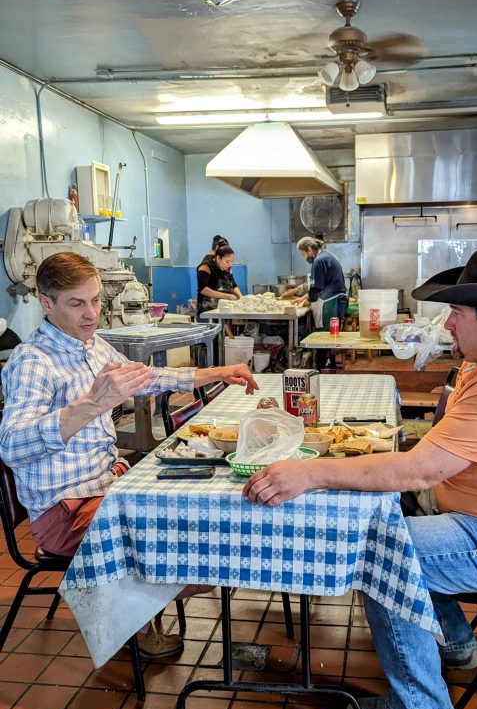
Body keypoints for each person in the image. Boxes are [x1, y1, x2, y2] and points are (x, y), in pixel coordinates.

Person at [243, 250, 477, 709]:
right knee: (402, 528)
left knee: (384, 549)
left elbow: (420, 471)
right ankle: (457, 644)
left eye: (457, 315)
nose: (448, 324)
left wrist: (310, 475)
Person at [0, 252, 258, 658]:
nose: (92, 314)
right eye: (77, 303)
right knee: (182, 540)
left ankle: (135, 610)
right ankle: (130, 621)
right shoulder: (33, 362)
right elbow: (12, 445)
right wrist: (89, 404)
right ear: (45, 303)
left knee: (194, 515)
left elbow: (147, 377)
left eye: (97, 300)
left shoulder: (92, 344)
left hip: (105, 487)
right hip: (64, 510)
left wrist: (215, 373)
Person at [291, 236, 348, 371]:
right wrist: (304, 297)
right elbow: (321, 285)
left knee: (323, 334)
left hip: (330, 303)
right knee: (331, 334)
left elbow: (317, 290)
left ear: (309, 250)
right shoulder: (326, 256)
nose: (304, 257)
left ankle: (320, 367)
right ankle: (331, 363)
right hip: (337, 300)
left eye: (303, 254)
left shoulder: (318, 261)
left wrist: (307, 300)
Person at [196, 243, 242, 317]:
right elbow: (203, 289)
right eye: (227, 261)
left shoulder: (228, 268)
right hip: (207, 312)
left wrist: (241, 297)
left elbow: (233, 284)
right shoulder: (205, 267)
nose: (230, 264)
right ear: (218, 258)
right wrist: (225, 296)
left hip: (223, 311)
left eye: (231, 261)